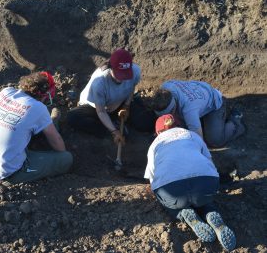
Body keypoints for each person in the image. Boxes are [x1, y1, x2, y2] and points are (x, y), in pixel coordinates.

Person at [144, 114, 236, 251]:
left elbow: (151, 177)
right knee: (203, 199)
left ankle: (184, 214)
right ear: (178, 126)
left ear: (157, 132)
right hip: (205, 184)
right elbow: (210, 163)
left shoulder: (155, 144)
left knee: (166, 198)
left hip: (173, 191)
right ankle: (210, 212)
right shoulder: (192, 135)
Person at [0, 72, 73, 184]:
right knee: (66, 158)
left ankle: (50, 124)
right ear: (46, 95)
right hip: (9, 173)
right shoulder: (38, 107)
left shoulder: (5, 92)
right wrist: (61, 154)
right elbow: (57, 142)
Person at [66, 48, 156, 145]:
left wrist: (127, 106)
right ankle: (110, 127)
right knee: (73, 117)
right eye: (119, 74)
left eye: (125, 75)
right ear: (111, 68)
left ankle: (114, 122)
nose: (122, 79)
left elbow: (131, 87)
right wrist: (114, 132)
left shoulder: (135, 71)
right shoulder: (99, 82)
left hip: (119, 102)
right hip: (96, 107)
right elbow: (101, 111)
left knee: (147, 123)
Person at [149, 80, 246, 147]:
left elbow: (199, 142)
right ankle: (202, 120)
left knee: (214, 140)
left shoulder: (189, 110)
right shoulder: (166, 87)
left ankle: (235, 121)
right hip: (200, 94)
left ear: (173, 107)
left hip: (215, 103)